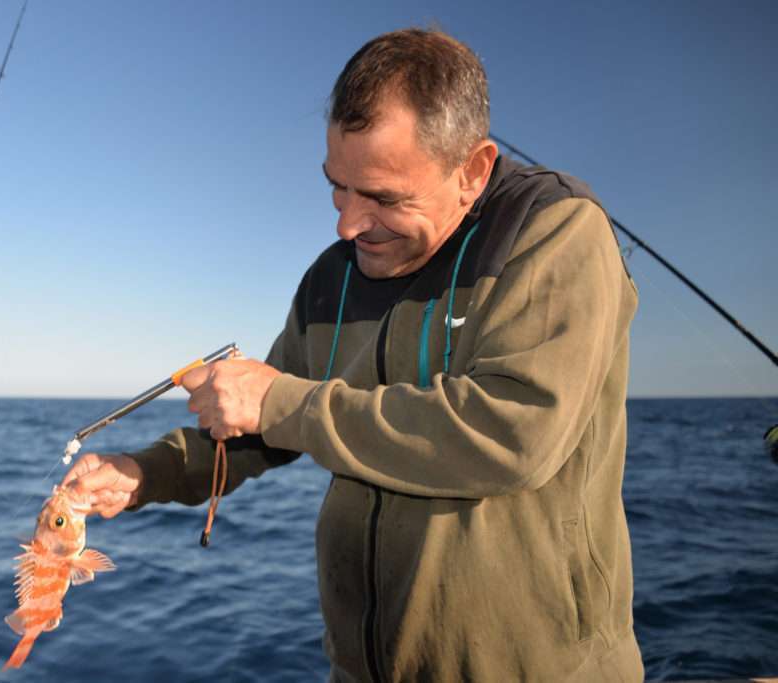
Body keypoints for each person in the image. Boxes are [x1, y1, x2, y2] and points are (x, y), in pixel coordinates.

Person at [63, 28, 643, 682]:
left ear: (472, 171)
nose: (346, 224)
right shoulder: (330, 278)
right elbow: (263, 429)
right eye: (338, 186)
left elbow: (512, 432)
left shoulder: (554, 231)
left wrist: (281, 401)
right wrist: (142, 472)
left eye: (384, 198)